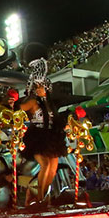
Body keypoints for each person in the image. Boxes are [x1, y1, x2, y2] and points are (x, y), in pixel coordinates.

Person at [18, 46, 67, 207]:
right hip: (38, 136)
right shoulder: (32, 101)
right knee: (46, 164)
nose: (43, 88)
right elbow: (18, 110)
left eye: (45, 87)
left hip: (51, 135)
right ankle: (39, 197)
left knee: (53, 167)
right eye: (40, 86)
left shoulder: (50, 104)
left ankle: (44, 196)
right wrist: (12, 104)